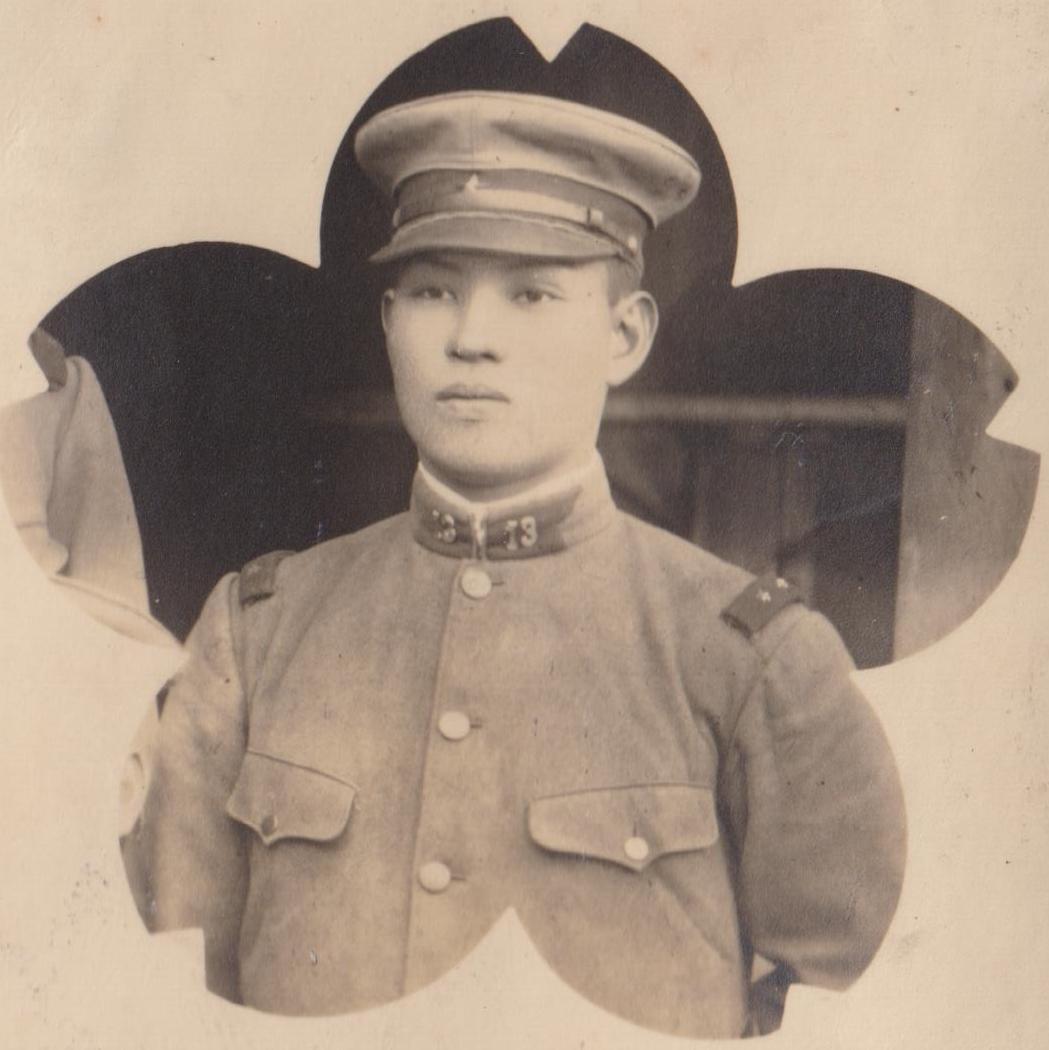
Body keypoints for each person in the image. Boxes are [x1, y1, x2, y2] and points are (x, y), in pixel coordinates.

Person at [124, 90, 906, 1039]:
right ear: (387, 321)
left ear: (624, 336)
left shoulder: (749, 655)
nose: (470, 337)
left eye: (530, 292)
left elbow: (849, 1009)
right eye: (432, 290)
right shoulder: (257, 631)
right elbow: (166, 988)